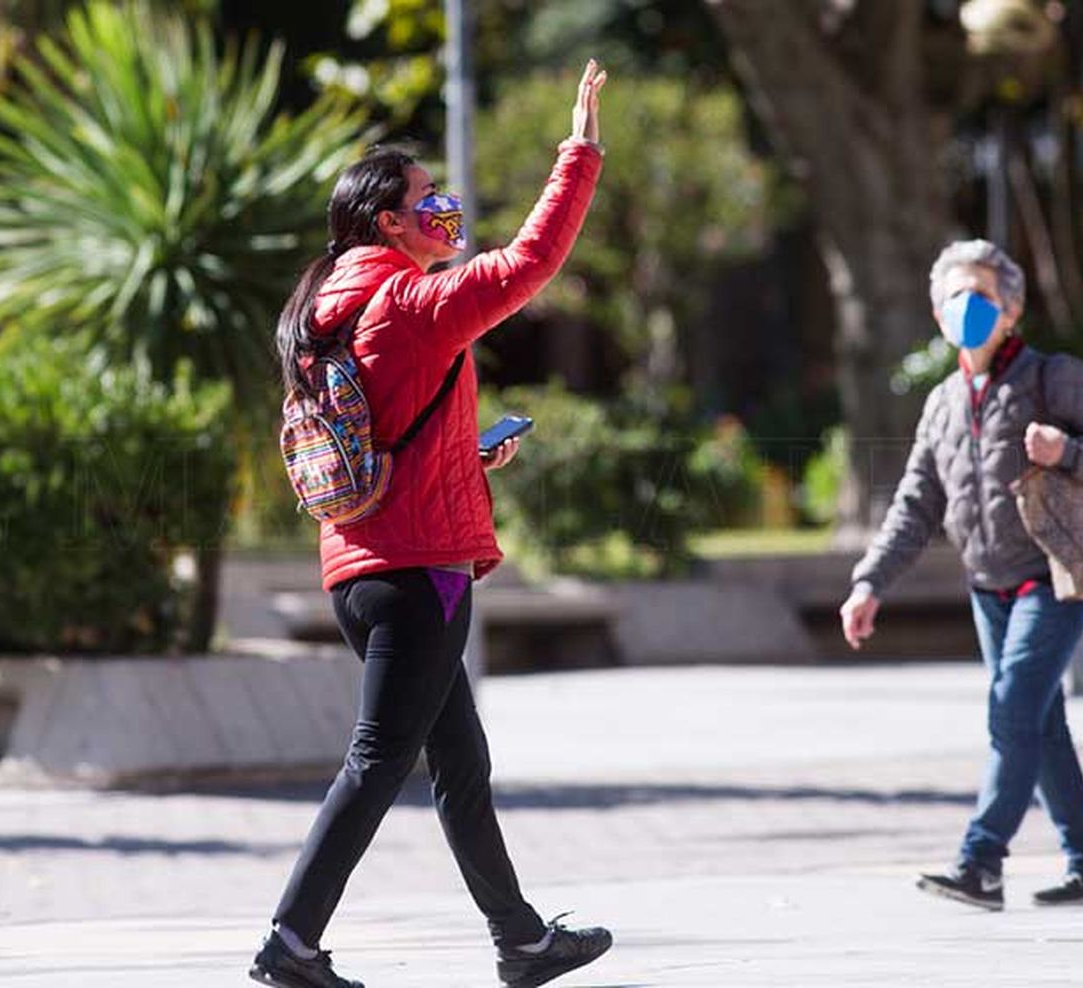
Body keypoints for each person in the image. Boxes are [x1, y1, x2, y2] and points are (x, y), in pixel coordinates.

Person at [252, 62, 612, 988]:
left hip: (360, 565)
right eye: (428, 199)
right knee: (378, 762)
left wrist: (469, 456)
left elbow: (386, 429)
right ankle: (291, 942)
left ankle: (521, 940)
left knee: (459, 759)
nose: (443, 209)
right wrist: (579, 155)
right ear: (390, 221)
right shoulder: (409, 303)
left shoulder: (323, 307)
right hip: (420, 570)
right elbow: (530, 262)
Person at [838, 239, 1083, 912]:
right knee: (1041, 724)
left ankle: (980, 862)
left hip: (1052, 574)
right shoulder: (945, 402)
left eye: (980, 294)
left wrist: (1066, 450)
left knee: (1011, 714)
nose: (965, 307)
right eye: (953, 295)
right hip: (988, 586)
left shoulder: (1054, 378)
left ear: (1012, 308)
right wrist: (869, 584)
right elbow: (916, 505)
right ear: (936, 310)